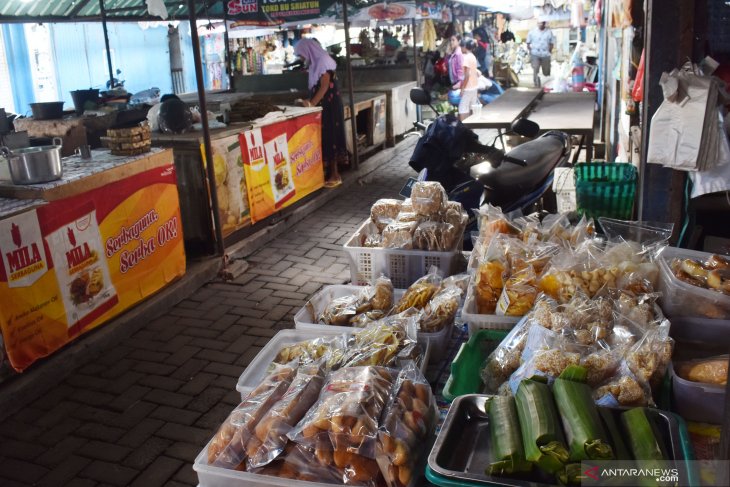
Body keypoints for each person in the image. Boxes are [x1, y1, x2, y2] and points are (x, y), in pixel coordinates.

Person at [294, 38, 348, 188]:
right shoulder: (314, 64)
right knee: (323, 138)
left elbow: (324, 87)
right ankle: (326, 173)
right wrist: (308, 102)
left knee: (331, 137)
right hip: (324, 106)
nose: (301, 58)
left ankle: (335, 175)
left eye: (301, 54)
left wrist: (311, 104)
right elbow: (316, 88)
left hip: (330, 107)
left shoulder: (323, 61)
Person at [526, 20, 555, 88]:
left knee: (546, 71)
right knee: (535, 68)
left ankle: (547, 84)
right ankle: (536, 84)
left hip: (545, 54)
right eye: (539, 23)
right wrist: (531, 51)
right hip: (535, 53)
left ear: (544, 24)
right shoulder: (532, 32)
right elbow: (528, 43)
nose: (540, 24)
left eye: (541, 23)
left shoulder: (549, 32)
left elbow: (551, 43)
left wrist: (549, 51)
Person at [458, 38, 480, 121]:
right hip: (474, 87)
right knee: (471, 108)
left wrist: (463, 88)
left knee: (463, 109)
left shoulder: (466, 58)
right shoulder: (473, 56)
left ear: (464, 47)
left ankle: (464, 128)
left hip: (468, 87)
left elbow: (467, 75)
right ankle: (471, 129)